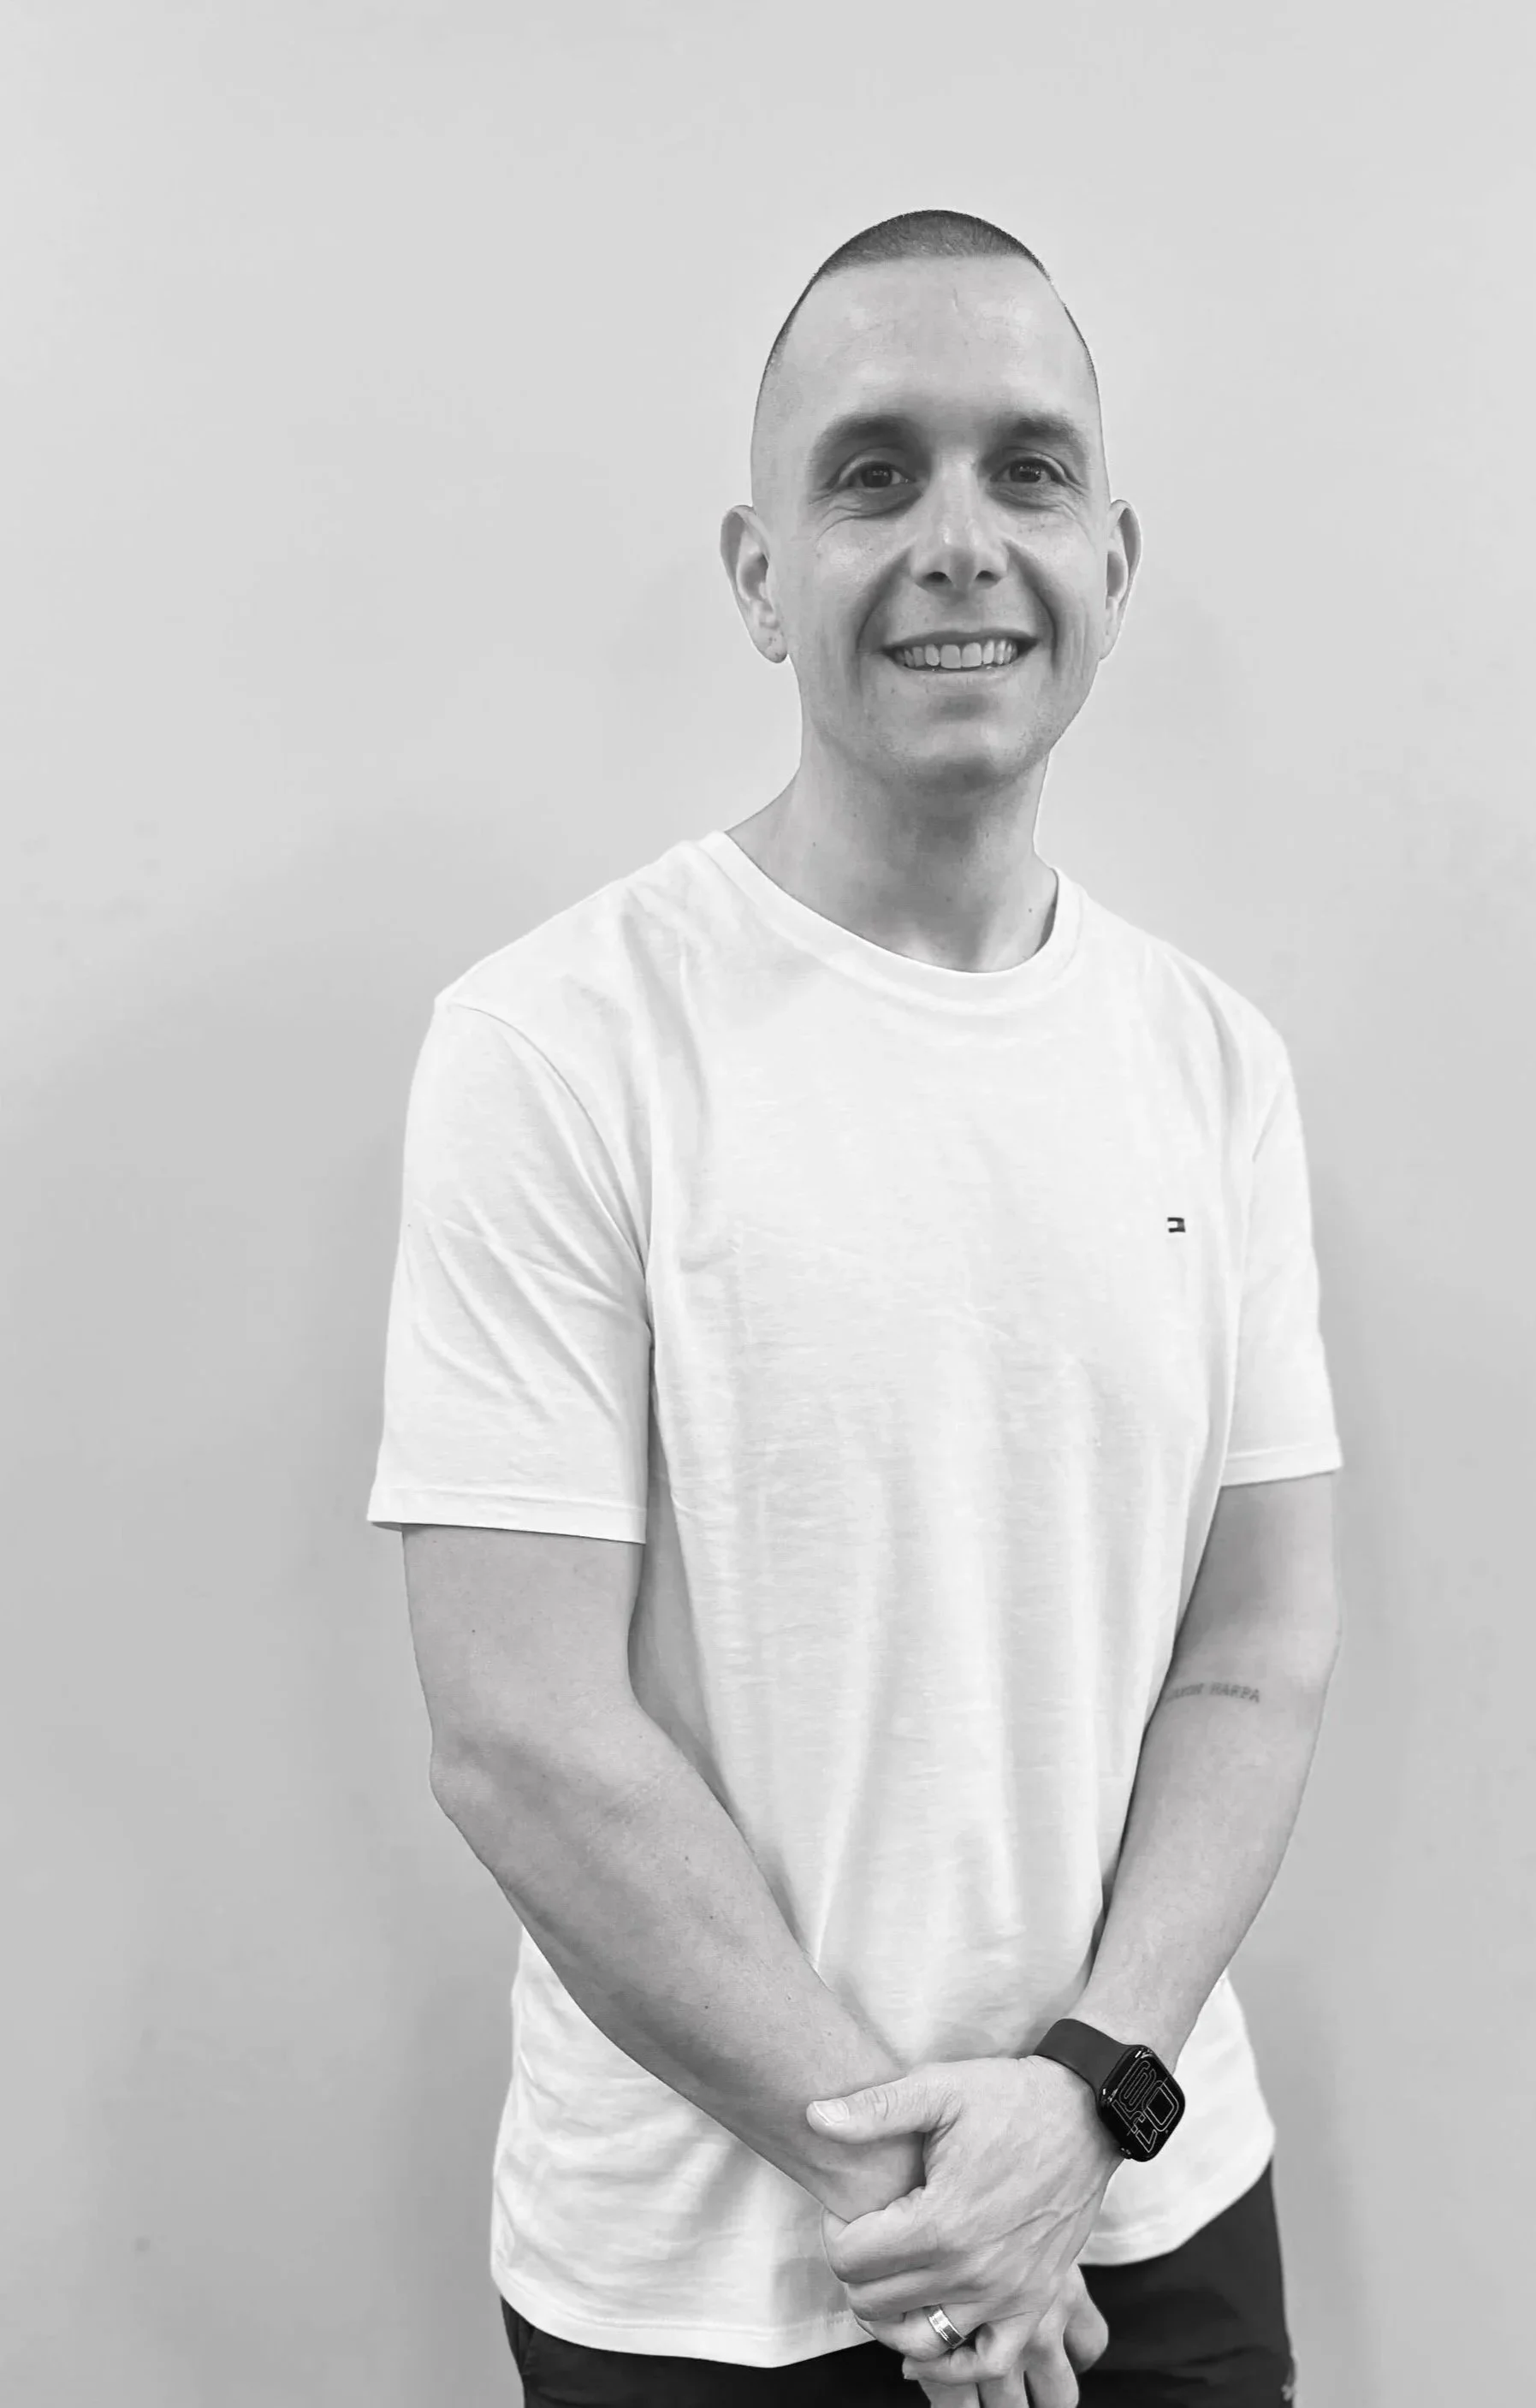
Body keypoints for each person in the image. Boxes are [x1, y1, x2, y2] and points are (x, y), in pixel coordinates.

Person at [367, 208, 1343, 2407]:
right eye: (871, 472)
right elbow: (519, 1740)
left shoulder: (1213, 1063)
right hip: (715, 2285)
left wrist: (1082, 2098)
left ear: (1113, 550)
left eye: (1023, 468)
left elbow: (1258, 1656)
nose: (957, 542)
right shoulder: (558, 1043)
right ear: (754, 570)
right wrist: (933, 2203)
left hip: (1144, 2205)